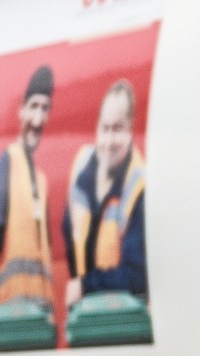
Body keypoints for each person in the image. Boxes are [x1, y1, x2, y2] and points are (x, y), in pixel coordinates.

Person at [0, 65, 54, 315]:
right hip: (10, 315)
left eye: (45, 109)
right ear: (21, 110)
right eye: (33, 107)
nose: (38, 119)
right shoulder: (8, 161)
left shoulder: (42, 181)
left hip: (41, 315)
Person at [62, 79, 147, 305]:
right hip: (83, 320)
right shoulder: (81, 167)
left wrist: (86, 285)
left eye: (117, 129)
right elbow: (68, 232)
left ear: (130, 129)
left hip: (119, 322)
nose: (109, 141)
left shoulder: (137, 186)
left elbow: (137, 275)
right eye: (105, 128)